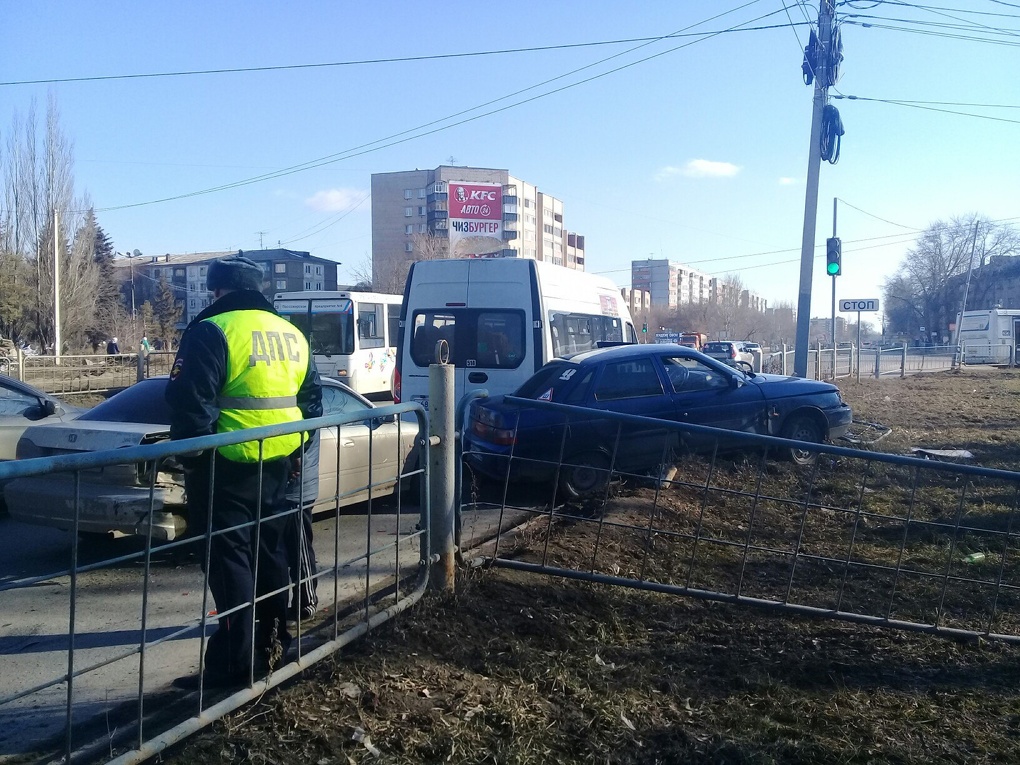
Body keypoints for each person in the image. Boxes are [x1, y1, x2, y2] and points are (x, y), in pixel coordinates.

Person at [166, 255, 322, 690]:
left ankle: (234, 665)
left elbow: (188, 403)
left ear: (218, 291)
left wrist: (194, 459)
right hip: (278, 466)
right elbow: (311, 402)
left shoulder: (212, 330)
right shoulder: (291, 332)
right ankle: (273, 645)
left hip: (224, 467)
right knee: (271, 557)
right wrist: (298, 451)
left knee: (228, 563)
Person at [285, 429, 320, 624]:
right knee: (280, 552)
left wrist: (293, 458)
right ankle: (276, 607)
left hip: (296, 488)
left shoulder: (306, 410)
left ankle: (306, 603)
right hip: (284, 485)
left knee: (299, 549)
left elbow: (307, 432)